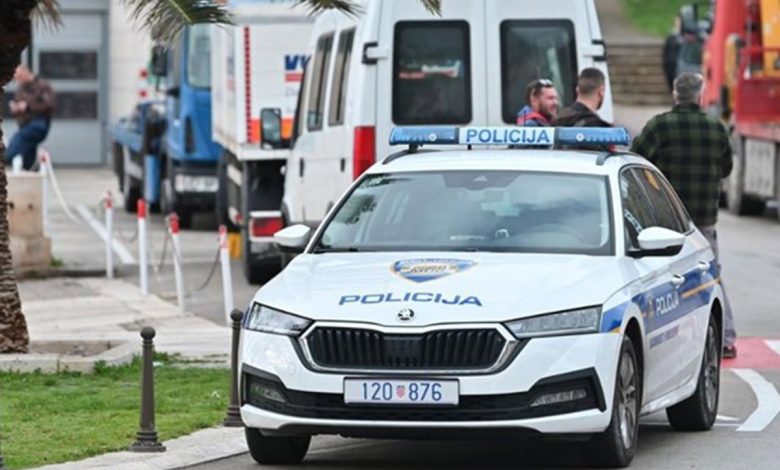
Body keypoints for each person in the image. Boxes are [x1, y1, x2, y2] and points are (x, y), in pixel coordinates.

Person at [631, 72, 738, 358]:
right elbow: (726, 168)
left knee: (664, 281)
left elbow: (636, 160)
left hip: (666, 221)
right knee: (711, 278)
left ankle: (670, 339)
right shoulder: (716, 128)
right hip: (703, 219)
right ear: (701, 95)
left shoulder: (659, 126)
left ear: (675, 95)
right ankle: (725, 338)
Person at [5, 65, 55, 171]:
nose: (17, 80)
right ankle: (32, 168)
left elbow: (49, 105)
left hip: (39, 123)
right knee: (28, 159)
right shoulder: (20, 89)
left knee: (17, 142)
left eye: (19, 77)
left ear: (25, 73)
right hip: (25, 125)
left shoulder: (42, 86)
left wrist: (28, 106)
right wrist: (16, 109)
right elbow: (17, 106)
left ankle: (6, 157)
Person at [663, 16, 683, 92]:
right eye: (677, 21)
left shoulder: (685, 36)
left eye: (680, 21)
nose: (678, 23)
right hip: (671, 64)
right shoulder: (671, 37)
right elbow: (666, 52)